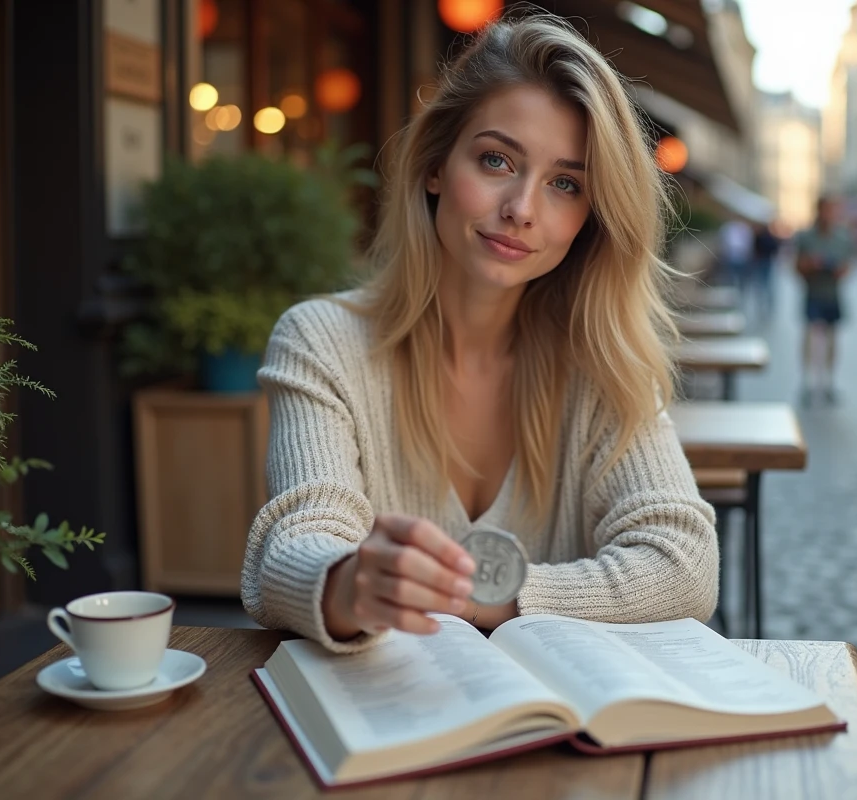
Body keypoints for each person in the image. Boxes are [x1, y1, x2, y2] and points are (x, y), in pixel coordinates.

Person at [242, 16, 718, 653]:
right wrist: (352, 583)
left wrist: (485, 598)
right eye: (497, 160)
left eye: (565, 184)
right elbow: (294, 549)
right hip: (381, 706)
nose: (521, 208)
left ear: (591, 216)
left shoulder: (601, 363)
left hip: (557, 710)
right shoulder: (322, 341)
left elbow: (685, 566)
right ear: (435, 166)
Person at [794, 197, 855, 406]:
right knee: (810, 338)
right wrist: (811, 264)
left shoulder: (843, 237)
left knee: (832, 340)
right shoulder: (806, 237)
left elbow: (848, 266)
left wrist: (839, 269)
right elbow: (796, 267)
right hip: (813, 293)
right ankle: (808, 382)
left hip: (833, 294)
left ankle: (829, 382)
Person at [750, 222, 781, 321]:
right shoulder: (764, 237)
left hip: (765, 262)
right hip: (763, 262)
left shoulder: (765, 237)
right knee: (764, 285)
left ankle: (766, 306)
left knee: (765, 285)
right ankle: (765, 306)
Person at [716, 216, 754, 288]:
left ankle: (739, 286)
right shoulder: (728, 227)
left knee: (741, 274)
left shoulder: (744, 228)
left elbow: (748, 242)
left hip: (741, 255)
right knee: (733, 273)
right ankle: (736, 286)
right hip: (732, 255)